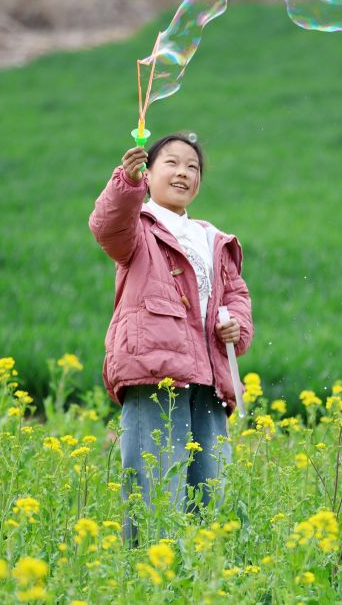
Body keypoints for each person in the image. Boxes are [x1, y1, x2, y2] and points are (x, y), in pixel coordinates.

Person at [88, 131, 254, 546]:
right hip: (155, 375)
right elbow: (107, 227)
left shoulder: (211, 238)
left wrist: (235, 324)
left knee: (209, 488)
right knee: (156, 485)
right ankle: (149, 571)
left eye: (193, 167)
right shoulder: (138, 227)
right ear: (148, 173)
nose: (184, 172)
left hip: (209, 377)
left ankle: (200, 572)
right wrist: (125, 183)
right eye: (172, 163)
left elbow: (235, 294)